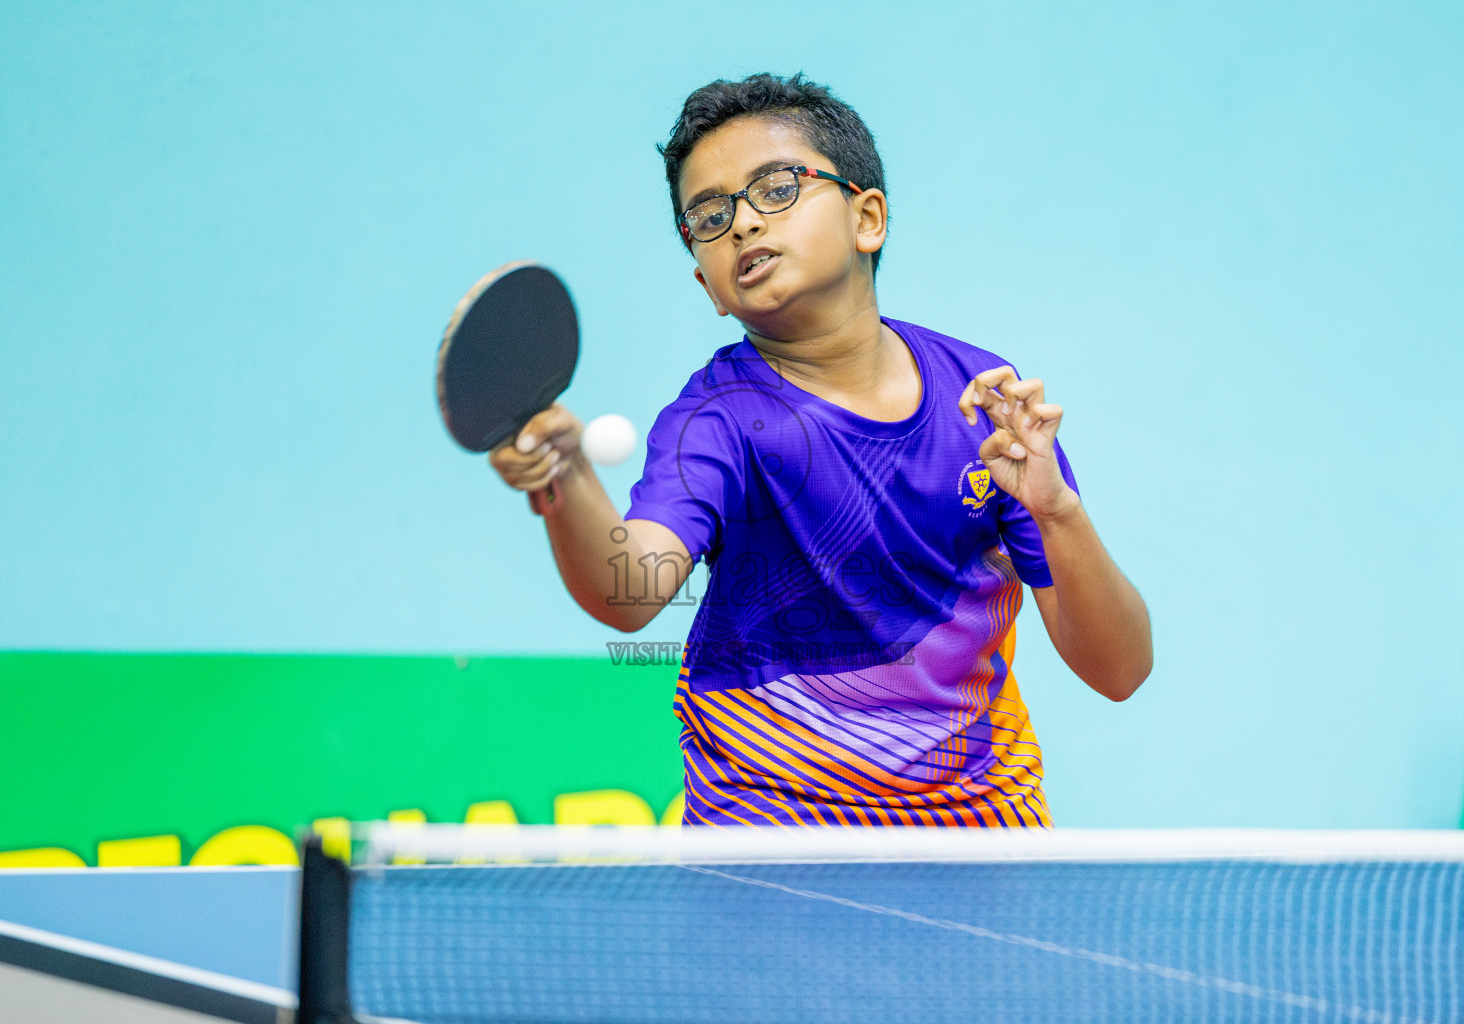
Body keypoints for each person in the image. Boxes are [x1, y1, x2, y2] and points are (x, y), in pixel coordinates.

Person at [490, 73, 1152, 827]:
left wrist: (1056, 510)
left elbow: (1122, 670)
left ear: (867, 216)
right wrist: (565, 479)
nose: (740, 224)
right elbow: (631, 590)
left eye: (774, 189)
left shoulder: (984, 403)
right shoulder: (720, 418)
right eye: (708, 216)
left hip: (977, 847)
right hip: (769, 854)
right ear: (707, 285)